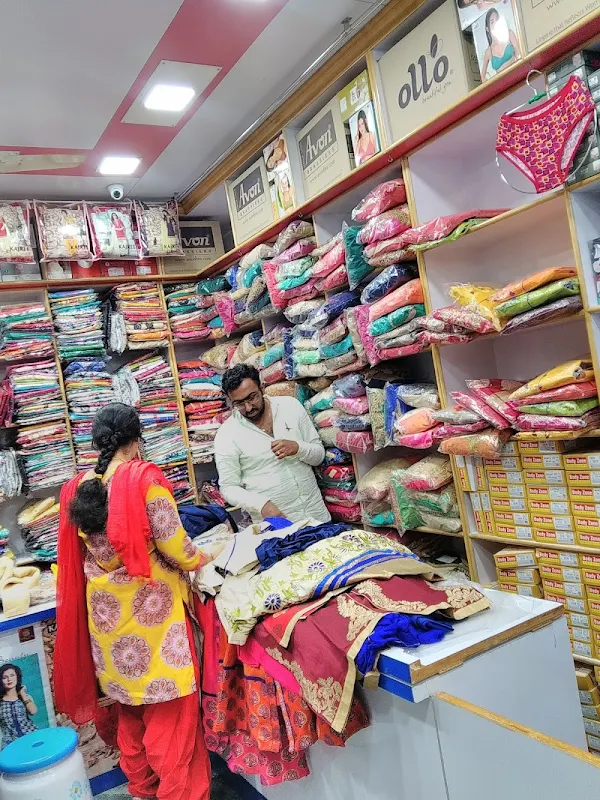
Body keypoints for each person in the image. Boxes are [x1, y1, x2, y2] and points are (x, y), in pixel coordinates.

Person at [55, 403, 212, 800]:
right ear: (135, 438)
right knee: (171, 721)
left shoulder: (78, 487)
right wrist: (201, 558)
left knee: (131, 712)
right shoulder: (143, 479)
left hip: (110, 629)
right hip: (153, 623)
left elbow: (89, 555)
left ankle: (143, 791)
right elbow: (174, 544)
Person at [214, 364, 330, 523]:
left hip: (317, 517)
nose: (248, 408)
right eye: (239, 403)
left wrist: (298, 448)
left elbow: (319, 455)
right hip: (278, 528)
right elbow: (228, 487)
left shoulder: (290, 406)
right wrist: (260, 504)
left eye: (252, 397)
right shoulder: (227, 435)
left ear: (261, 387)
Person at [0, 664, 38, 747]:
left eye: (12, 675)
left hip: (31, 736)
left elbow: (33, 711)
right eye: (5, 677)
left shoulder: (24, 697)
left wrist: (22, 694)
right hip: (11, 743)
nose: (9, 679)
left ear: (17, 677)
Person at [479, 8, 520, 80]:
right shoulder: (488, 51)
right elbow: (483, 75)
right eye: (492, 22)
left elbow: (519, 55)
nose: (495, 23)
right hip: (503, 84)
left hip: (517, 76)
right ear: (487, 29)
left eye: (497, 19)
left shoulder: (509, 34)